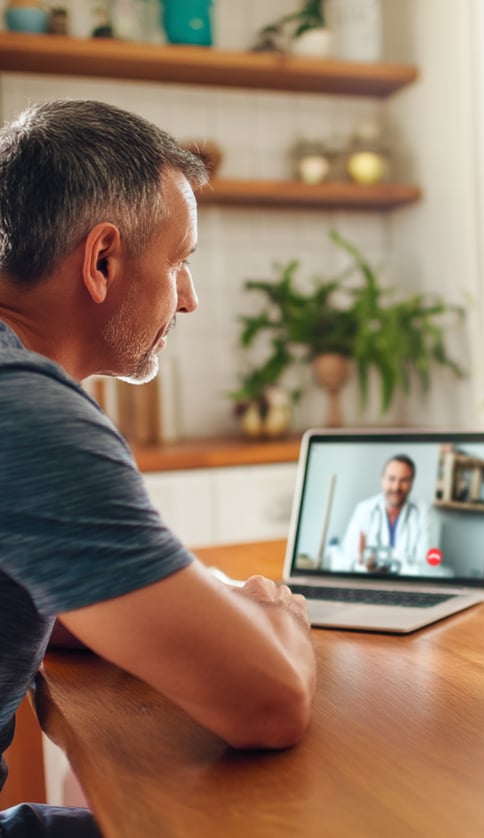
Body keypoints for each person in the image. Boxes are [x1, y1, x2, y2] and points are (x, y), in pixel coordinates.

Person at [0, 100, 316, 836]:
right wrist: (277, 621)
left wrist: (198, 604)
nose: (191, 298)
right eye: (180, 262)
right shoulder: (26, 413)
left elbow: (53, 598)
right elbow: (269, 704)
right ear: (103, 259)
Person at [341, 455, 432, 574]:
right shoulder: (364, 509)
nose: (396, 487)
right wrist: (362, 565)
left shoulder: (422, 512)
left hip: (407, 587)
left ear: (412, 483)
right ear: (382, 479)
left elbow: (426, 563)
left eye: (404, 480)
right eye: (391, 479)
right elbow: (347, 558)